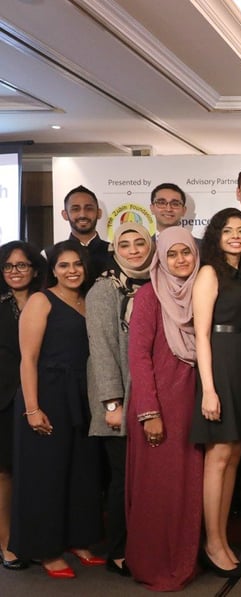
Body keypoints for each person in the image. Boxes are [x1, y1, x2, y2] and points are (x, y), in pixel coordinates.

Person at [10, 241, 104, 578]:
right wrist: (32, 409)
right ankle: (46, 550)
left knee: (81, 471)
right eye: (64, 266)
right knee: (45, 475)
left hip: (81, 395)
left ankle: (78, 540)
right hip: (47, 394)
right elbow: (28, 359)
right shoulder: (41, 300)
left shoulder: (87, 299)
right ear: (53, 270)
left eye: (77, 264)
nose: (72, 271)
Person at [125, 227, 204, 590]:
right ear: (160, 258)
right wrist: (149, 411)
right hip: (157, 403)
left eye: (185, 252)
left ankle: (183, 561)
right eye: (171, 254)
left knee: (186, 487)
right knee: (156, 489)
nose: (180, 260)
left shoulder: (201, 294)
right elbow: (138, 357)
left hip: (192, 400)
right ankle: (153, 564)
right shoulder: (148, 295)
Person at [85, 222, 154, 577]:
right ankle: (117, 552)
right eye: (125, 244)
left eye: (139, 242)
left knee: (145, 482)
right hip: (119, 403)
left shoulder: (157, 283)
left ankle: (143, 546)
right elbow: (102, 352)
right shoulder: (104, 290)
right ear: (115, 251)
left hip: (149, 399)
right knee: (122, 481)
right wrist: (113, 404)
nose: (133, 249)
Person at [191, 208, 241, 577]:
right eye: (228, 230)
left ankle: (223, 539)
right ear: (216, 236)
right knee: (218, 455)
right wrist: (209, 389)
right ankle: (211, 543)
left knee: (234, 453)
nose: (236, 236)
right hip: (219, 361)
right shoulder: (209, 272)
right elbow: (201, 334)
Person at [0, 241, 46, 571]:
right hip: (2, 397)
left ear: (34, 269)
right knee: (4, 473)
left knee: (34, 471)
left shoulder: (46, 302)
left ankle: (34, 538)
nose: (16, 272)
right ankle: (6, 541)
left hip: (41, 395)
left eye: (22, 265)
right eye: (9, 266)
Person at [46, 185, 113, 283]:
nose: (82, 215)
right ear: (65, 215)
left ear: (99, 213)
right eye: (75, 209)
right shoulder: (49, 255)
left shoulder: (114, 252)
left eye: (89, 208)